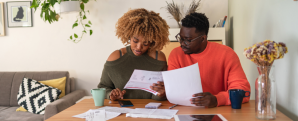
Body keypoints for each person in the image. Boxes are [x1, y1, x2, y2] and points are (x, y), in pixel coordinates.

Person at [151, 12, 251, 108]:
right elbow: (174, 90)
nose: (182, 43)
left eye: (188, 40)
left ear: (203, 39)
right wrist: (165, 91)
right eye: (180, 38)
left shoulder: (227, 54)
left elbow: (242, 91)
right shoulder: (176, 54)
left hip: (219, 111)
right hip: (183, 111)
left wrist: (217, 99)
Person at [98, 8, 170, 101]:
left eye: (145, 43)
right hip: (121, 111)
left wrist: (161, 94)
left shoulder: (158, 59)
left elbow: (158, 96)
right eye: (135, 41)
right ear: (129, 36)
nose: (139, 47)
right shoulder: (116, 57)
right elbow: (102, 87)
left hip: (150, 111)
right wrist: (110, 94)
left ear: (152, 42)